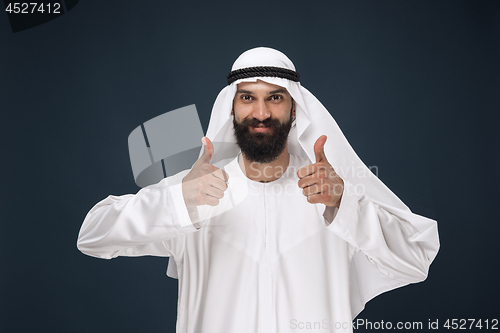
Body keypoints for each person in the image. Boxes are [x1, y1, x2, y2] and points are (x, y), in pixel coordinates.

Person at [77, 47, 439, 333]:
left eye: (275, 98)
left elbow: (417, 257)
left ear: (295, 109)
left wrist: (346, 204)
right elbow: (92, 235)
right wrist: (174, 203)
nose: (261, 112)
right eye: (247, 98)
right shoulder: (196, 191)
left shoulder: (329, 191)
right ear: (231, 109)